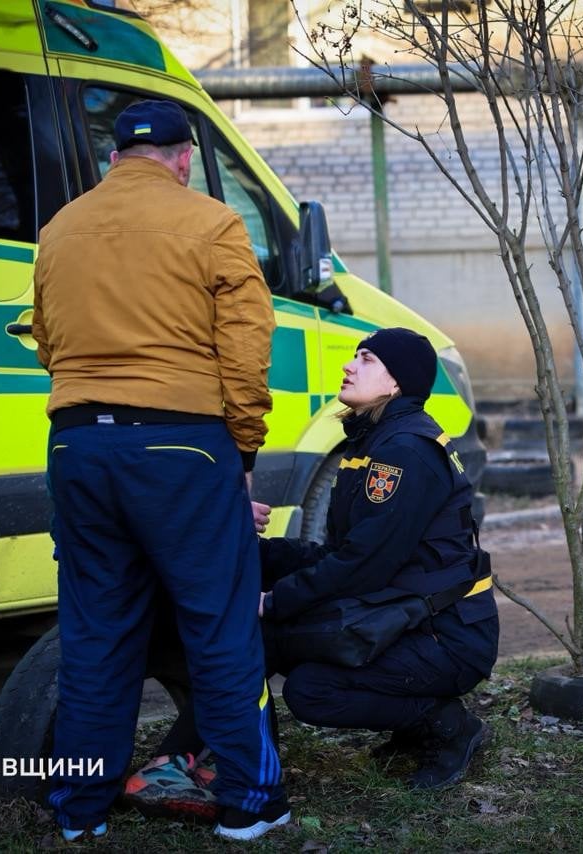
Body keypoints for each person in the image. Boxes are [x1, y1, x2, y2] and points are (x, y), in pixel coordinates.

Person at [32, 99, 287, 842]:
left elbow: (47, 342)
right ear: (183, 159)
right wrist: (242, 451)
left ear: (114, 159)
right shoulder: (213, 223)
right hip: (182, 446)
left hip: (77, 446)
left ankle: (79, 811)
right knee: (219, 626)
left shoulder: (59, 229)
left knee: (95, 634)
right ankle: (249, 805)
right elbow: (246, 349)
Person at [147, 327, 498, 795]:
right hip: (404, 614)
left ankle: (448, 725)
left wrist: (274, 601)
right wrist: (254, 552)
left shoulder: (404, 452)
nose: (349, 365)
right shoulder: (373, 441)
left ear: (397, 382)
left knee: (305, 682)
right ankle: (195, 759)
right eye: (356, 356)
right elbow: (340, 553)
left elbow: (362, 565)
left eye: (367, 359)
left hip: (445, 637)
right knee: (299, 669)